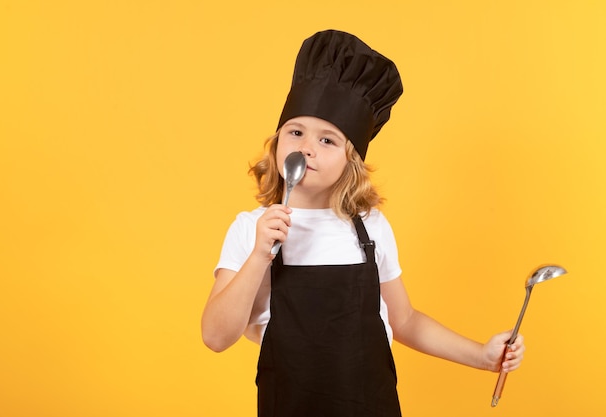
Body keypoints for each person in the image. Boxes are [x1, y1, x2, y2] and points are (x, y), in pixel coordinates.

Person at [201, 30, 525, 417]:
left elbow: (404, 320)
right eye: (296, 132)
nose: (307, 147)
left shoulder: (370, 229)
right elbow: (216, 337)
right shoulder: (251, 229)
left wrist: (482, 356)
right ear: (277, 144)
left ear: (350, 162)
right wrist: (258, 256)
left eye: (328, 140)